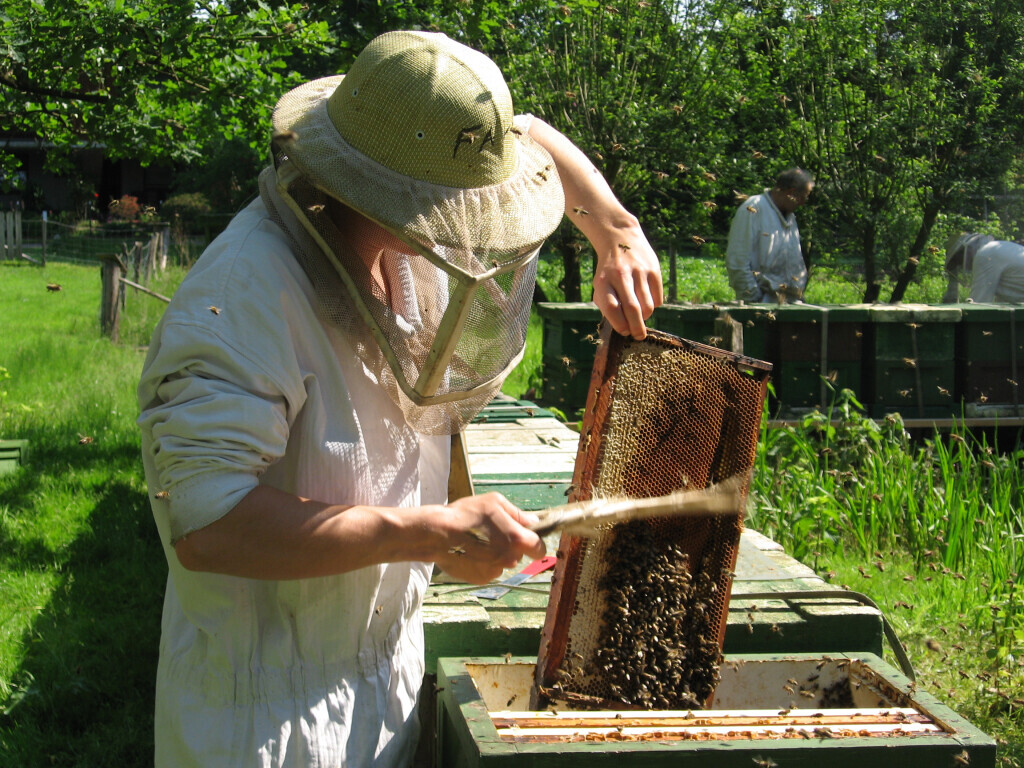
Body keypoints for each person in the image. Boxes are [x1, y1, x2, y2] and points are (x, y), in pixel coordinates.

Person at [137, 30, 662, 767]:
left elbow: (528, 134)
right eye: (457, 201)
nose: (472, 221)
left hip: (382, 685)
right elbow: (208, 525)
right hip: (265, 723)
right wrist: (430, 532)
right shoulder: (243, 295)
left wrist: (617, 230)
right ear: (392, 190)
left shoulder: (399, 244)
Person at [725, 167, 814, 303]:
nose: (802, 203)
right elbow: (738, 261)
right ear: (790, 193)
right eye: (802, 198)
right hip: (761, 304)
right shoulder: (753, 208)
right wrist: (754, 299)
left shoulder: (790, 217)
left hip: (789, 303)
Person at [943, 232, 1024, 303]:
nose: (966, 267)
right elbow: (1004, 305)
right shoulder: (1002, 248)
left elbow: (978, 304)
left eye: (961, 259)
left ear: (968, 250)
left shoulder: (986, 254)